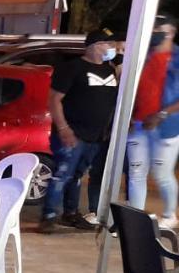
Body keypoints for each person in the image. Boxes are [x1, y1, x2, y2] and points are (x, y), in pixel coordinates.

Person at [40, 29, 121, 233]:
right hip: (72, 133)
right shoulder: (72, 68)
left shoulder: (110, 70)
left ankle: (70, 213)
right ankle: (48, 216)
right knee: (63, 174)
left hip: (96, 135)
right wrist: (63, 128)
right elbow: (54, 99)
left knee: (76, 176)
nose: (112, 48)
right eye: (108, 44)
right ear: (95, 46)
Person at [127, 14, 179, 227]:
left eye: (160, 30)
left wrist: (162, 115)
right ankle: (135, 219)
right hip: (138, 125)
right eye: (153, 29)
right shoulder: (142, 55)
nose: (155, 33)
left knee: (162, 174)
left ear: (171, 32)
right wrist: (128, 116)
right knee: (136, 172)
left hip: (166, 127)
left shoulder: (177, 58)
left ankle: (169, 216)